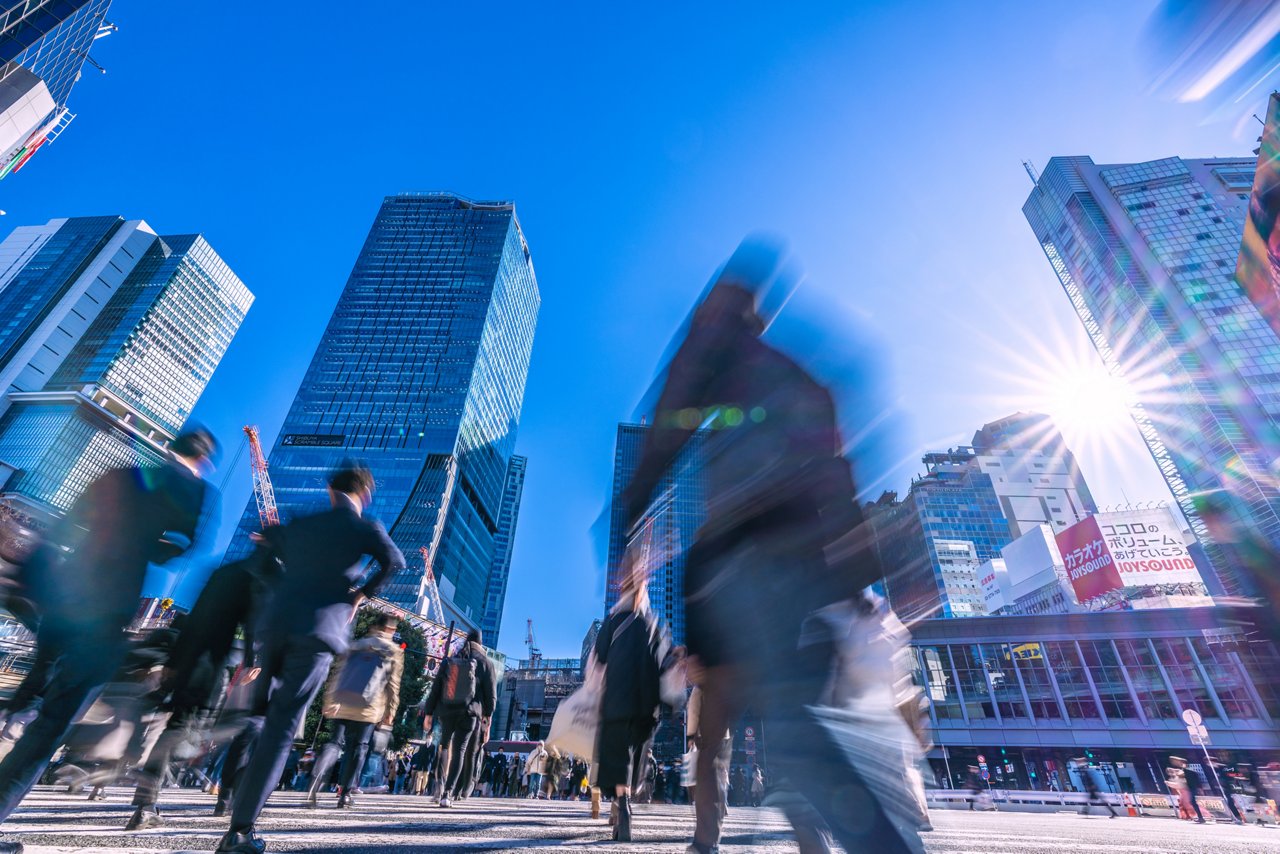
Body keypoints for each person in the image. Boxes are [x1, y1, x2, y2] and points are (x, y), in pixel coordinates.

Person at [620, 239, 918, 854]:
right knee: (793, 722)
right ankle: (834, 837)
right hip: (797, 567)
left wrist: (632, 507)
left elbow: (668, 424)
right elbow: (835, 467)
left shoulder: (713, 353)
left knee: (754, 725)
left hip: (738, 565)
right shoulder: (796, 374)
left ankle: (721, 840)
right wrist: (857, 575)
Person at [0, 429, 218, 854]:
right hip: (105, 609)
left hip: (64, 595)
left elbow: (67, 523)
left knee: (29, 692)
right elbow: (181, 548)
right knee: (55, 720)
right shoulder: (189, 488)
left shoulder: (119, 474)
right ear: (204, 460)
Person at [216, 463, 405, 854]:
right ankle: (240, 830)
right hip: (318, 631)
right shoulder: (364, 528)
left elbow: (263, 558)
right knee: (282, 726)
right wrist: (359, 594)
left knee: (259, 717)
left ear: (329, 489)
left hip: (277, 626)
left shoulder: (300, 524)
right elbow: (395, 563)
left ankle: (229, 787)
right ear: (364, 493)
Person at [125, 556, 267, 830]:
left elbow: (190, 622)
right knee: (189, 730)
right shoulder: (255, 580)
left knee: (176, 726)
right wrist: (252, 661)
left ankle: (145, 802)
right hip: (211, 665)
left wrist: (172, 664)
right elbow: (253, 626)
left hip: (188, 661)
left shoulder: (221, 575)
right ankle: (147, 801)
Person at [594, 566, 671, 842]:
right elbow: (665, 664)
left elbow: (600, 657)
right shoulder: (653, 623)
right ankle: (625, 802)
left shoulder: (614, 619)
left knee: (617, 756)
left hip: (617, 700)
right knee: (636, 755)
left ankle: (621, 805)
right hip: (645, 706)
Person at [306, 612, 404, 809]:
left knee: (335, 743)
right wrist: (391, 711)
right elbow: (393, 685)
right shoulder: (393, 650)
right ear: (389, 630)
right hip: (369, 706)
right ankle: (346, 793)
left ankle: (318, 777)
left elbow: (338, 673)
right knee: (359, 747)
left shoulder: (356, 645)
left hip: (343, 702)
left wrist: (330, 699)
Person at [422, 628, 496, 808]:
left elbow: (436, 689)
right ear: (480, 643)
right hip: (470, 713)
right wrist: (487, 717)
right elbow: (491, 697)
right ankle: (448, 793)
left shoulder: (450, 660)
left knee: (444, 746)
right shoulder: (486, 663)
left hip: (447, 710)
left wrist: (429, 713)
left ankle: (439, 785)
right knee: (460, 751)